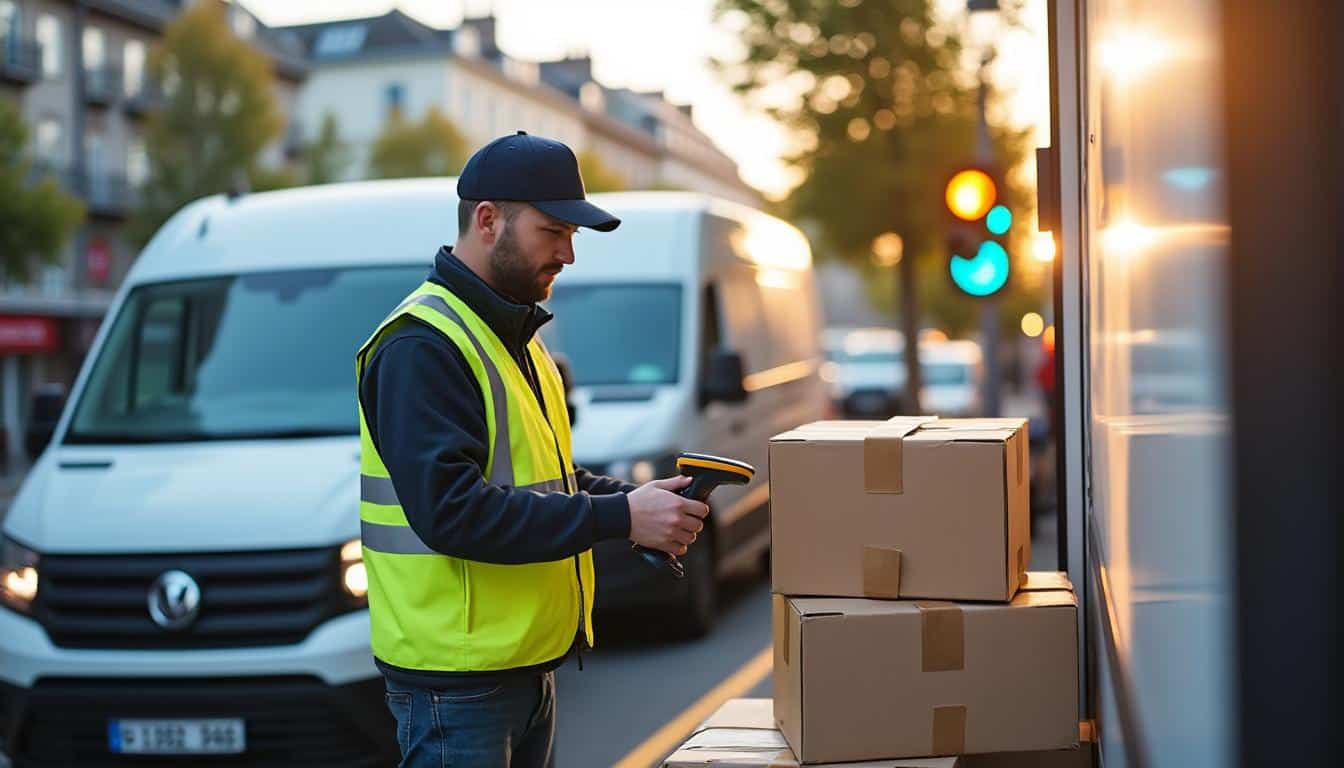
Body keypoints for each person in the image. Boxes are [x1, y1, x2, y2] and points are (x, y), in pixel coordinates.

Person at [355, 132, 709, 768]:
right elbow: (453, 511)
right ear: (488, 220)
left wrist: (639, 501)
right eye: (554, 232)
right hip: (457, 682)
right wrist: (621, 516)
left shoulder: (513, 334)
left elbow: (546, 478)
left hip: (519, 669)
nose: (569, 254)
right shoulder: (422, 346)